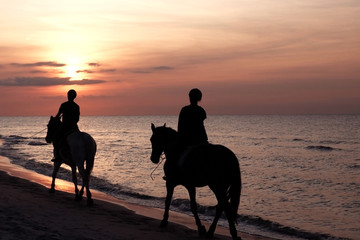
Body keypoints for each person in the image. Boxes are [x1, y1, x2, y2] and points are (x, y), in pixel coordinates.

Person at [52, 89, 80, 161]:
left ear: (68, 96)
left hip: (65, 127)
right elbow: (77, 119)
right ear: (75, 97)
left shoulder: (64, 105)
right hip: (74, 127)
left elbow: (58, 115)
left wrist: (54, 119)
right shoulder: (77, 106)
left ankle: (57, 156)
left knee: (56, 138)